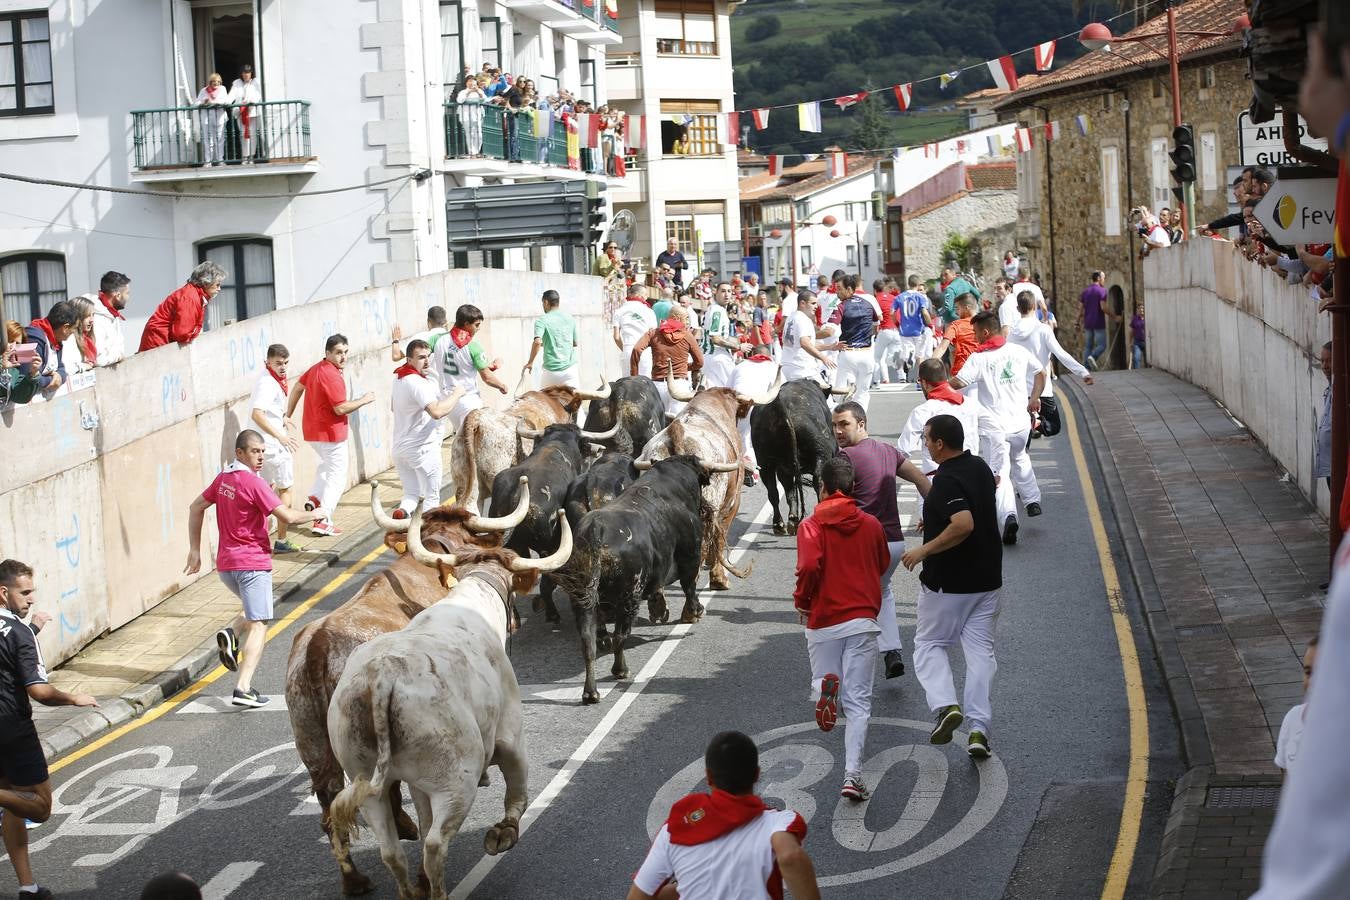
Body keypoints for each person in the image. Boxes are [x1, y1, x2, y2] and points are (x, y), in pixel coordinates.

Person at [187, 431, 321, 707]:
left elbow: (196, 506)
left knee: (252, 611)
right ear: (239, 453)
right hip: (252, 564)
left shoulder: (225, 479)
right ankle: (243, 688)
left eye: (262, 451)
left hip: (227, 567)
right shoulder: (253, 483)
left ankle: (232, 633)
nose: (260, 456)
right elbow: (288, 516)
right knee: (260, 624)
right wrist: (316, 514)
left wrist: (195, 550)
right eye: (254, 451)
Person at [900, 415, 1002, 757]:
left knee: (929, 645)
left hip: (948, 585)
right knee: (980, 656)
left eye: (927, 438)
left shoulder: (945, 481)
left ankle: (946, 706)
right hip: (987, 583)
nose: (925, 444)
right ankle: (978, 730)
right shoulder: (980, 468)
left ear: (940, 443)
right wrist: (932, 518)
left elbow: (963, 523)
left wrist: (923, 550)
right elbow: (974, 508)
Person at [0, 559, 98, 900]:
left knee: (14, 804)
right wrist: (73, 698)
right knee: (39, 806)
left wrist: (33, 629)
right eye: (24, 593)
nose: (31, 600)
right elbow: (38, 691)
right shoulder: (20, 633)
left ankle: (27, 886)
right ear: (3, 592)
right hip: (12, 729)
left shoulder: (22, 630)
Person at [794, 456, 890, 801]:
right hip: (862, 620)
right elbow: (881, 565)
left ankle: (824, 689)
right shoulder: (871, 524)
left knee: (824, 678)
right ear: (853, 489)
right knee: (860, 704)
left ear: (821, 487)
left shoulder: (810, 527)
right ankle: (852, 776)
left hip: (822, 620)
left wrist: (802, 600)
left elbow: (807, 566)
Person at [627, 730, 818, 900]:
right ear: (757, 775)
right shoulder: (779, 822)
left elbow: (640, 895)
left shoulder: (673, 830)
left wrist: (690, 885)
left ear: (709, 777)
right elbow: (790, 857)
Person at [833, 401, 931, 680]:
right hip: (894, 545)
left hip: (862, 545)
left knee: (851, 606)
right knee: (883, 591)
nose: (838, 431)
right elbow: (923, 481)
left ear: (861, 424)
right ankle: (891, 652)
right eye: (835, 425)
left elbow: (830, 504)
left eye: (844, 424)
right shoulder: (889, 451)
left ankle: (850, 673)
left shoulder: (842, 460)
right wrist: (935, 515)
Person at [951, 311, 1045, 544]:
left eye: (975, 333)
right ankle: (1032, 500)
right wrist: (1034, 398)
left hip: (996, 429)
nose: (974, 338)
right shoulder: (1017, 351)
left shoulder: (979, 358)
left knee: (1000, 473)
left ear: (985, 332)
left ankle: (1009, 516)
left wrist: (937, 382)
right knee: (1021, 457)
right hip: (1021, 424)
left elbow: (958, 383)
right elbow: (1041, 372)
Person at [287, 334, 375, 537]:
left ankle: (315, 499)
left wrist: (288, 414)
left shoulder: (317, 368)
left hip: (312, 432)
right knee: (337, 476)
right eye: (338, 353)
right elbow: (340, 408)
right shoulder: (332, 375)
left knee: (326, 467)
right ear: (327, 354)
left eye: (345, 352)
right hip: (331, 434)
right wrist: (364, 400)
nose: (343, 357)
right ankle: (322, 520)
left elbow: (298, 387)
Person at [391, 340, 466, 517]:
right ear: (409, 360)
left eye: (428, 356)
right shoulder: (417, 383)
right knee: (432, 497)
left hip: (400, 451)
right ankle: (424, 536)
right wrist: (457, 394)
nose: (426, 361)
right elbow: (437, 411)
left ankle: (403, 514)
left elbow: (393, 408)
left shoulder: (398, 378)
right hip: (422, 450)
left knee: (411, 494)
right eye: (420, 358)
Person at [899, 358, 1005, 478]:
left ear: (924, 382)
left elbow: (903, 451)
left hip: (936, 480)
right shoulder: (972, 405)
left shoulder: (922, 411)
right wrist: (995, 470)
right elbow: (998, 432)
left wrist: (918, 478)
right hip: (969, 477)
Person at [1007, 291, 1093, 439]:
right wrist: (1083, 372)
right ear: (1035, 306)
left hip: (1019, 392)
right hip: (1043, 391)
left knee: (1022, 438)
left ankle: (1030, 424)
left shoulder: (1011, 334)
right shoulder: (1043, 330)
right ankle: (1037, 423)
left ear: (1017, 308)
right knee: (1054, 426)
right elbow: (1060, 354)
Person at [249, 344, 302, 553]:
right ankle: (281, 540)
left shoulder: (268, 379)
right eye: (279, 363)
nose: (283, 368)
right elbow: (257, 414)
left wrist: (282, 419)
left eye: (286, 363)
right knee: (285, 489)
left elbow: (268, 411)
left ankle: (257, 540)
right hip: (272, 446)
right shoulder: (268, 384)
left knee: (265, 492)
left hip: (264, 445)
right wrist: (280, 435)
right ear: (268, 362)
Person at [432, 303, 508, 433]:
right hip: (468, 401)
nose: (478, 329)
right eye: (476, 325)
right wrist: (502, 386)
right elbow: (487, 378)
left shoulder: (437, 339)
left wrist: (490, 365)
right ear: (466, 324)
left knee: (461, 438)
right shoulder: (473, 346)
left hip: (447, 401)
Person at [139, 261, 227, 351]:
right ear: (206, 282)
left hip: (160, 341)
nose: (219, 289)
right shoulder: (191, 297)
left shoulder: (195, 294)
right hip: (158, 344)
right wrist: (196, 332)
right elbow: (182, 334)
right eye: (217, 284)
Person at [632, 304, 702, 416]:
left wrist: (634, 375)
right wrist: (685, 367)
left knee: (657, 425)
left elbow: (636, 349)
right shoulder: (688, 336)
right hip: (680, 386)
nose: (689, 321)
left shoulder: (653, 333)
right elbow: (700, 362)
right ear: (677, 318)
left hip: (657, 385)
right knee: (677, 426)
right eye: (687, 318)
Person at [826, 275, 881, 411]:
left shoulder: (841, 306)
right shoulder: (868, 303)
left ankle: (838, 420)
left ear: (849, 289)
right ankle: (859, 425)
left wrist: (811, 335)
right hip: (867, 354)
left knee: (839, 391)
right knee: (863, 393)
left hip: (848, 353)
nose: (836, 292)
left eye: (839, 289)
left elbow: (830, 331)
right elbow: (876, 326)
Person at [731, 343, 777, 486]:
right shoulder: (774, 367)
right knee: (752, 439)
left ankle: (744, 466)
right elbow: (781, 391)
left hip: (738, 404)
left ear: (751, 355)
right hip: (758, 405)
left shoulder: (739, 367)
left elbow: (728, 388)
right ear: (769, 357)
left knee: (743, 436)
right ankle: (753, 471)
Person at [19, 300, 78, 400]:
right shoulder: (30, 339)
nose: (73, 333)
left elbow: (61, 367)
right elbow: (23, 378)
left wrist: (59, 376)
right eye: (74, 329)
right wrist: (51, 380)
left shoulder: (56, 340)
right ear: (65, 327)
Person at [1275, 636, 1317, 777]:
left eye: (1324, 672)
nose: (1313, 681)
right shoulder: (1294, 718)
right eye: (1309, 672)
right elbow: (1286, 774)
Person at [524, 289, 579, 389]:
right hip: (570, 371)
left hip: (551, 373)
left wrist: (530, 362)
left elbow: (537, 342)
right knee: (576, 403)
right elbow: (575, 343)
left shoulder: (542, 320)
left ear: (545, 302)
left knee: (544, 402)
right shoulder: (570, 318)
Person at [780, 291, 839, 382]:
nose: (816, 306)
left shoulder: (791, 317)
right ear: (802, 303)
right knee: (827, 396)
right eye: (813, 303)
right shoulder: (803, 319)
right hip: (803, 370)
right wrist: (824, 358)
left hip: (786, 370)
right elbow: (804, 343)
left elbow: (807, 345)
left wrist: (830, 347)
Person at [893, 275, 933, 383]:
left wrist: (897, 323)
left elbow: (892, 312)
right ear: (918, 283)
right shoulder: (921, 297)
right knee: (920, 355)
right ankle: (920, 378)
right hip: (918, 330)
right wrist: (930, 324)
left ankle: (907, 357)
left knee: (906, 350)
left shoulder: (900, 297)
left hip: (905, 329)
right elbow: (924, 312)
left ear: (908, 284)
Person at [701, 283, 741, 389]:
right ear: (716, 292)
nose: (727, 295)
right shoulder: (717, 311)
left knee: (713, 396)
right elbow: (716, 339)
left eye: (729, 291)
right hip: (719, 358)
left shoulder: (713, 309)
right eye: (723, 291)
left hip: (708, 357)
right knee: (735, 391)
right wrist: (738, 347)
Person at [87, 271, 131, 366]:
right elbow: (99, 359)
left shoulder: (112, 314)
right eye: (127, 293)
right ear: (118, 296)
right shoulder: (96, 318)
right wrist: (119, 356)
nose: (128, 297)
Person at [614, 284, 658, 379]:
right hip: (644, 352)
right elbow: (653, 335)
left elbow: (616, 337)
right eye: (646, 295)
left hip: (627, 350)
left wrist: (625, 349)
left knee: (627, 384)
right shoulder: (649, 311)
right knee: (645, 384)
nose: (646, 297)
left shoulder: (619, 311)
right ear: (641, 295)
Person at [931, 292, 979, 376]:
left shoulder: (956, 325)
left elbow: (942, 347)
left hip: (962, 372)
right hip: (982, 371)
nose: (956, 312)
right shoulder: (987, 322)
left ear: (966, 308)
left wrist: (930, 366)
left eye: (957, 308)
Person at [229, 64, 263, 164]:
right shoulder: (237, 83)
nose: (246, 74)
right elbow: (231, 96)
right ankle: (245, 156)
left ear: (251, 73)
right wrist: (224, 102)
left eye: (248, 72)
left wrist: (250, 102)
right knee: (243, 135)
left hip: (252, 112)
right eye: (244, 72)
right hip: (241, 112)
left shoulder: (255, 82)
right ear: (241, 74)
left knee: (252, 135)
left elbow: (258, 95)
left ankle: (252, 156)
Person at [871, 278, 902, 386]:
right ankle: (901, 376)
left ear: (875, 290)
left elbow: (875, 318)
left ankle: (877, 380)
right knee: (894, 356)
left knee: (877, 358)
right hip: (896, 331)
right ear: (884, 288)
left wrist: (874, 332)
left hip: (884, 331)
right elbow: (898, 314)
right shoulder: (893, 298)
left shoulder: (875, 300)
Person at [195, 73, 230, 166]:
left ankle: (220, 160)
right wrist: (204, 102)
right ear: (210, 82)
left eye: (218, 81)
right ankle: (208, 161)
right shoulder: (204, 90)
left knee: (220, 139)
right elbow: (196, 103)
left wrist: (216, 102)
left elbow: (226, 100)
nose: (216, 83)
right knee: (208, 140)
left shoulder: (223, 89)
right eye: (214, 81)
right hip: (207, 118)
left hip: (220, 117)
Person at [1079, 271, 1109, 370]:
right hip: (1099, 322)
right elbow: (1103, 307)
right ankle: (1093, 357)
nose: (1104, 280)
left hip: (1088, 323)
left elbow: (1081, 308)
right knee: (1102, 345)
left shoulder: (1085, 291)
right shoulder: (1102, 291)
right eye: (1103, 277)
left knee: (1088, 346)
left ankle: (1086, 368)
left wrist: (1077, 321)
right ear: (1099, 278)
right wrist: (1114, 316)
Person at [455, 74, 487, 156]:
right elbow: (460, 100)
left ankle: (477, 150)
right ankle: (471, 151)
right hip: (466, 116)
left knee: (479, 134)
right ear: (466, 83)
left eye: (473, 82)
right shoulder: (463, 92)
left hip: (477, 115)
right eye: (469, 82)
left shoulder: (479, 91)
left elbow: (485, 99)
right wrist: (468, 91)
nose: (471, 84)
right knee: (469, 134)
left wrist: (478, 92)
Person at [1130, 302, 1147, 370]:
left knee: (1148, 361)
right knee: (1136, 358)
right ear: (1138, 309)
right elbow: (1131, 331)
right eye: (1140, 308)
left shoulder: (1148, 317)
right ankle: (1137, 372)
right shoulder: (1135, 318)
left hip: (1146, 342)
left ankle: (1148, 372)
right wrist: (1130, 342)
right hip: (1137, 342)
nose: (1141, 310)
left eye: (1143, 308)